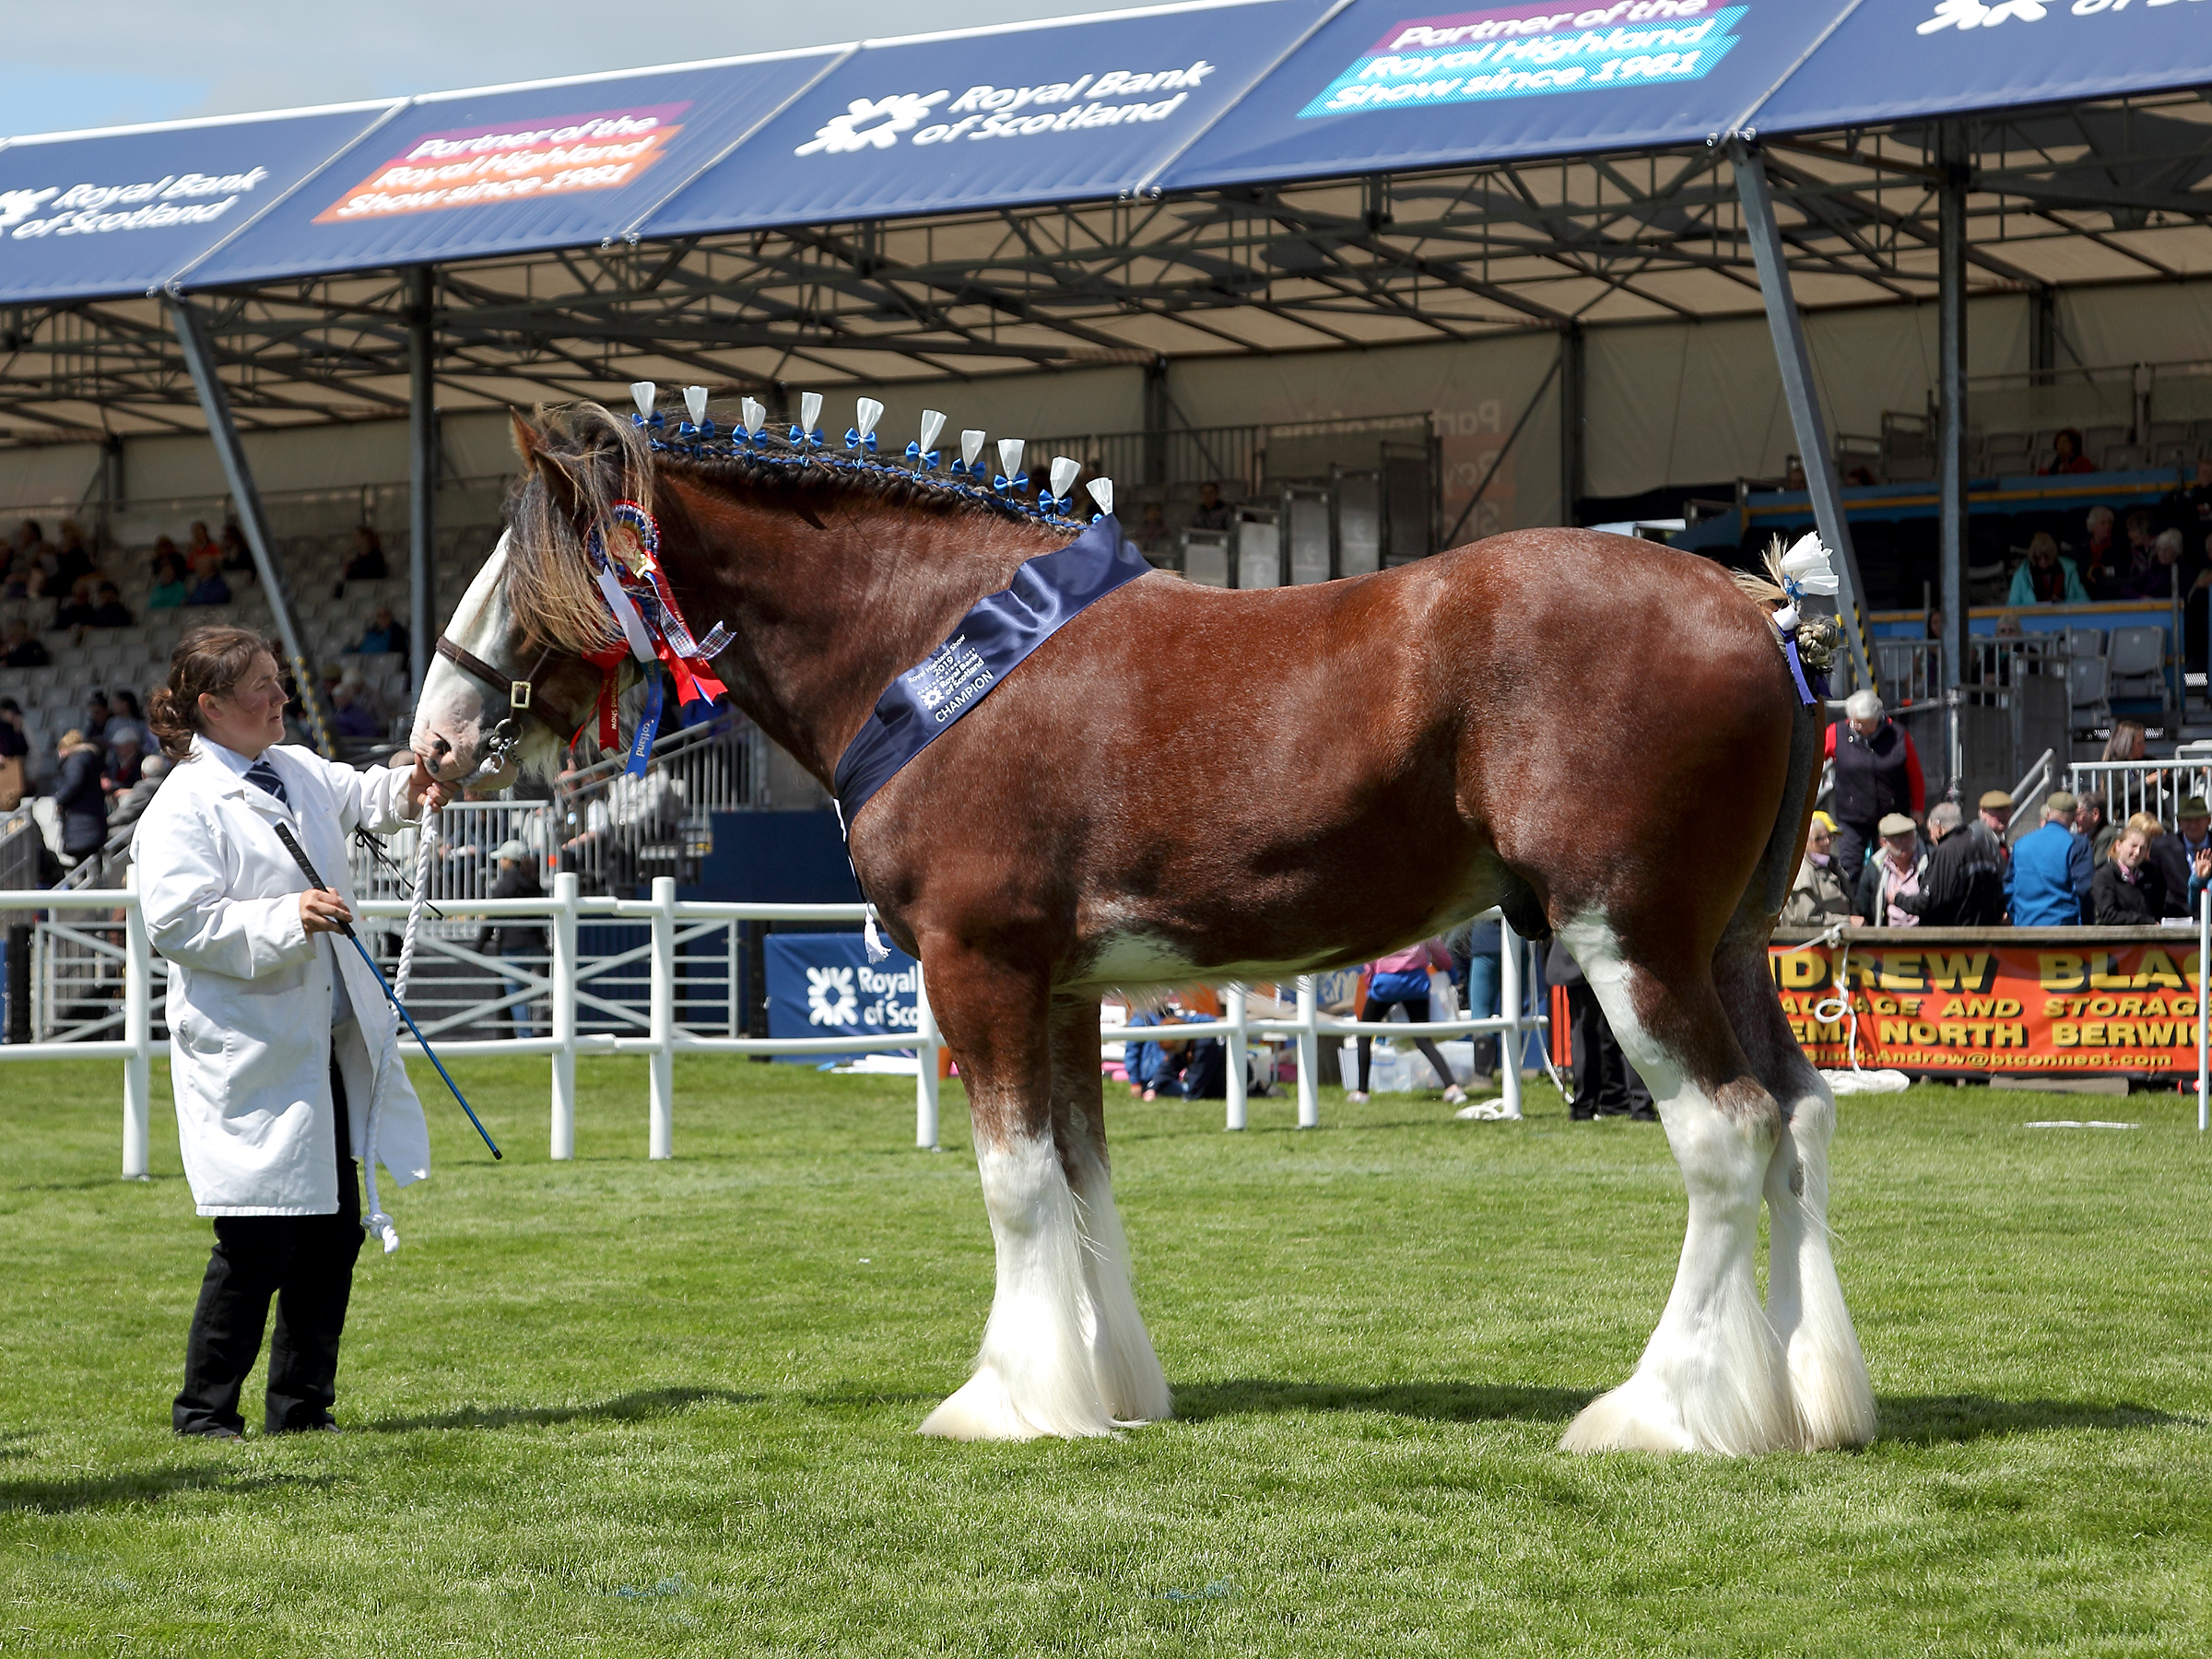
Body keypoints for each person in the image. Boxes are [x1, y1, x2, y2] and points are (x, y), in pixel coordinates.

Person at [135, 624, 448, 1439]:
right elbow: (178, 923)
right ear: (210, 706)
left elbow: (364, 795)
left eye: (279, 680)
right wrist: (287, 915)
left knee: (332, 1237)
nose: (282, 698)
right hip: (254, 1054)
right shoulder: (183, 805)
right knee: (256, 1243)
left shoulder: (298, 768)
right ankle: (204, 1414)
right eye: (262, 688)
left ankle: (302, 1410)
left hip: (325, 1053)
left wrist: (420, 783)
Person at [1347, 938, 1467, 1108]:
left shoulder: (1382, 922)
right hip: (1416, 983)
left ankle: (1362, 1092)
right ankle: (1452, 1087)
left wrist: (1370, 981)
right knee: (1423, 1040)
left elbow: (1371, 957)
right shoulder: (1420, 920)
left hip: (1386, 985)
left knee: (1365, 1034)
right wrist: (1451, 972)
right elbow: (1438, 950)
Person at [1545, 935, 1653, 1122]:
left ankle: (1591, 1105)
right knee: (1626, 1029)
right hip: (1616, 948)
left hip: (1587, 949)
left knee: (1589, 1032)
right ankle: (1627, 1103)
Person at [1824, 689, 1924, 889]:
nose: (1855, 726)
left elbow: (1915, 775)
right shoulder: (1837, 733)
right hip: (1853, 817)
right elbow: (1815, 761)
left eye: (1861, 722)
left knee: (1891, 867)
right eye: (1853, 720)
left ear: (1876, 719)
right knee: (1849, 868)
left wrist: (1918, 809)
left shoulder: (1898, 735)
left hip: (1892, 815)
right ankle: (1852, 912)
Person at [477, 839, 547, 1039]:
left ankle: (525, 1035)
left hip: (512, 945)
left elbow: (491, 917)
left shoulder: (505, 885)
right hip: (535, 943)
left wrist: (478, 946)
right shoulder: (534, 882)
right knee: (536, 990)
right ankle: (540, 1029)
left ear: (508, 861)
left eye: (503, 859)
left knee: (516, 992)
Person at [1895, 802, 2006, 926]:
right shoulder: (1984, 847)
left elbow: (1927, 901)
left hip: (1954, 939)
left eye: (1930, 831)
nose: (1931, 837)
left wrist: (1898, 898)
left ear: (1938, 826)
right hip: (1985, 937)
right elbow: (2000, 895)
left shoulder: (1945, 852)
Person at [2010, 790, 2092, 925]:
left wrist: (2018, 918)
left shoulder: (2020, 844)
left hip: (2026, 927)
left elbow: (2009, 887)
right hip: (2063, 929)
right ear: (2074, 818)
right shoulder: (2078, 844)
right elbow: (2083, 890)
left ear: (2048, 813)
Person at [1854, 813, 1926, 926]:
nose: (1905, 842)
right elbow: (1863, 909)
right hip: (1887, 939)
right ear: (1883, 843)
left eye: (1909, 835)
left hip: (1926, 938)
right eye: (1897, 838)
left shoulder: (1929, 864)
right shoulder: (1874, 869)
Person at [1782, 812, 1853, 926]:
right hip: (1815, 940)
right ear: (1805, 840)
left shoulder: (1834, 866)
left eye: (1830, 837)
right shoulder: (1802, 870)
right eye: (1819, 839)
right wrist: (1846, 921)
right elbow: (1804, 918)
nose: (1827, 842)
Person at [53, 728, 108, 871]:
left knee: (84, 866)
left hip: (81, 824)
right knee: (92, 866)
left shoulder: (76, 760)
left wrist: (58, 799)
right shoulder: (89, 758)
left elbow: (73, 783)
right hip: (91, 822)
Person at [2091, 826, 2163, 924]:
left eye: (2142, 848)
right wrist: (2146, 921)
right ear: (2118, 846)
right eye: (2133, 846)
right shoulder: (2104, 876)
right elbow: (2108, 915)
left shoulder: (2151, 874)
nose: (2137, 852)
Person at [2007, 532, 2088, 605]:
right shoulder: (2022, 574)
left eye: (2046, 556)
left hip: (2064, 616)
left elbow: (2085, 600)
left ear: (2053, 555)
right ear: (2033, 556)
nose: (2043, 560)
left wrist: (2063, 604)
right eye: (2039, 557)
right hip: (2033, 618)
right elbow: (2012, 605)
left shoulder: (2069, 569)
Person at [2078, 505, 2122, 597]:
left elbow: (2122, 571)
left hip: (2112, 591)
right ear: (2092, 526)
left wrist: (2105, 571)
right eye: (2103, 523)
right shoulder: (2081, 549)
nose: (2108, 526)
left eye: (2110, 523)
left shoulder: (2120, 547)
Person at [2074, 789, 2114, 865]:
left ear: (2095, 814)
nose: (2074, 819)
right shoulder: (2088, 836)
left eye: (2078, 815)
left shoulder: (2107, 836)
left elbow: (2095, 867)